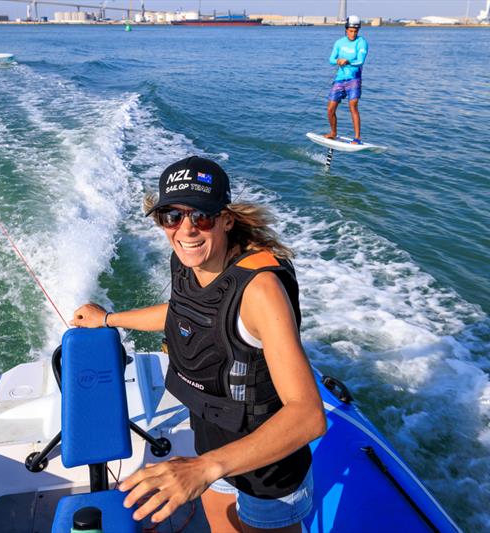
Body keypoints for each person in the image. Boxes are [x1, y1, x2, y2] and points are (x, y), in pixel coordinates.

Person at [71, 156, 326, 532]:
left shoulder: (261, 291)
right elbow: (183, 312)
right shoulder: (188, 262)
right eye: (171, 216)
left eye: (201, 216)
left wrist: (202, 468)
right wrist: (108, 319)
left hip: (266, 469)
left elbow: (308, 414)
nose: (186, 230)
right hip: (210, 440)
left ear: (225, 219)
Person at [325, 15, 369, 144]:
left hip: (354, 79)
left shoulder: (362, 42)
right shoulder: (339, 42)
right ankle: (333, 132)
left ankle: (357, 138)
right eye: (350, 31)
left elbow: (360, 61)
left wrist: (348, 60)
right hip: (340, 79)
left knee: (353, 106)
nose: (353, 33)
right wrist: (338, 60)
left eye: (355, 31)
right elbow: (331, 60)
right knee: (330, 109)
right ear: (346, 30)